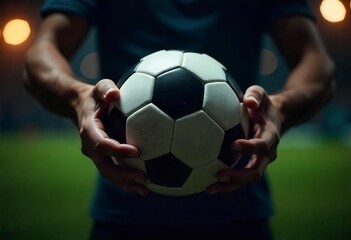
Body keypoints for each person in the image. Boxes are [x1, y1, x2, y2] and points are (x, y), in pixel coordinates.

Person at [23, 0, 335, 239]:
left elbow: (316, 62)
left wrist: (279, 107)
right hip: (125, 212)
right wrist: (78, 97)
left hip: (236, 211)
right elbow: (41, 52)